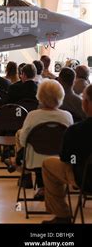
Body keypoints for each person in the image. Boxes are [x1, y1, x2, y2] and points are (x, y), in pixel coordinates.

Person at [12, 80, 74, 201]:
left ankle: (24, 172)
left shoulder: (33, 115)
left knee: (20, 134)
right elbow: (69, 143)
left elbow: (24, 141)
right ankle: (50, 188)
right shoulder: (67, 116)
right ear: (60, 96)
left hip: (34, 159)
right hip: (59, 158)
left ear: (39, 96)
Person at [42, 85, 92, 224]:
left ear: (86, 103)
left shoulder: (76, 131)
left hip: (86, 179)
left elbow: (67, 158)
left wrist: (75, 160)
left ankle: (62, 215)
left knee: (48, 164)